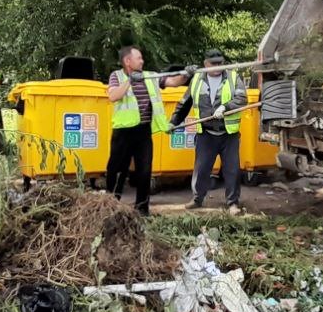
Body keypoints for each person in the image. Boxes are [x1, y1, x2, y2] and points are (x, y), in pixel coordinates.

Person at [170, 49, 248, 215]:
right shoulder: (197, 79)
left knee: (232, 170)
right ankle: (197, 199)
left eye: (220, 62)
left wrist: (224, 107)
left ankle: (233, 203)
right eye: (214, 63)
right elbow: (185, 103)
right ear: (205, 64)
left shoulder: (233, 77)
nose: (218, 66)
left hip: (228, 134)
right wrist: (173, 122)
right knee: (202, 168)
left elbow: (242, 99)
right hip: (206, 133)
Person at [105, 46, 180, 214]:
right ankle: (110, 205)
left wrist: (187, 74)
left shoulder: (150, 77)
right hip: (123, 132)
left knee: (145, 171)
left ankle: (142, 209)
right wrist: (130, 80)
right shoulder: (116, 76)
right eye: (139, 58)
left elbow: (173, 82)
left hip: (143, 132)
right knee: (117, 171)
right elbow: (113, 96)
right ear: (127, 61)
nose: (142, 61)